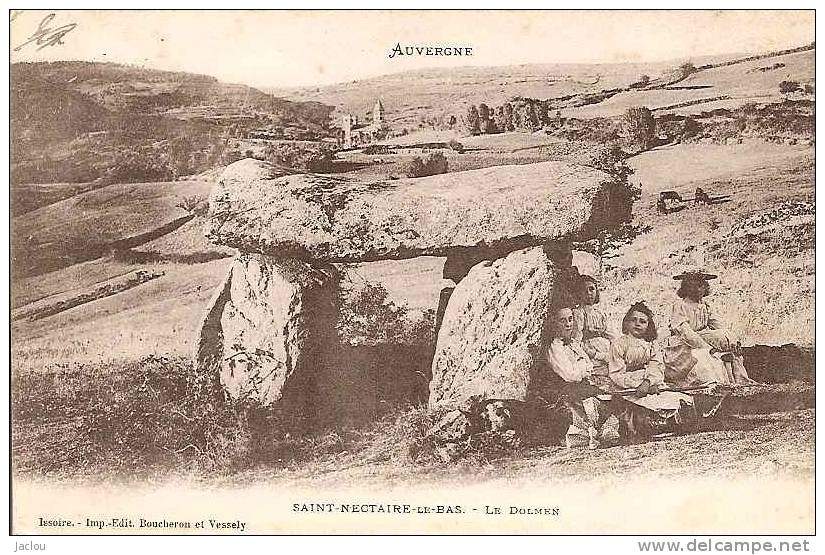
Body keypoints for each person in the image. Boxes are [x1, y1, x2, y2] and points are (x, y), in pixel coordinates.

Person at [608, 302, 696, 441]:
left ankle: (674, 421)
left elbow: (657, 366)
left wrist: (648, 382)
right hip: (629, 386)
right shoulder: (619, 344)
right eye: (633, 320)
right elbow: (616, 373)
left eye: (642, 321)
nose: (637, 324)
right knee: (646, 404)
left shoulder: (652, 345)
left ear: (649, 326)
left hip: (650, 382)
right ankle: (651, 424)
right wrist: (637, 385)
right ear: (626, 323)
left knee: (674, 399)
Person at [663, 271, 758, 387]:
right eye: (694, 286)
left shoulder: (705, 305)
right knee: (709, 350)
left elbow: (717, 324)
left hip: (701, 337)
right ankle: (718, 382)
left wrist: (731, 340)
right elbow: (685, 331)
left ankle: (740, 380)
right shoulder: (680, 306)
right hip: (684, 343)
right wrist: (707, 347)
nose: (699, 290)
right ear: (687, 288)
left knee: (727, 338)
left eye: (702, 286)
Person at [572, 275, 617, 380]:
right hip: (590, 350)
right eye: (584, 290)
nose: (588, 293)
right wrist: (592, 353)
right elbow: (576, 339)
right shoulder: (578, 312)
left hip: (605, 348)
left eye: (591, 289)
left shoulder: (600, 313)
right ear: (578, 294)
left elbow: (610, 334)